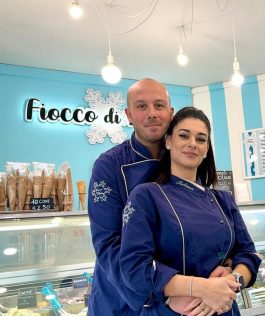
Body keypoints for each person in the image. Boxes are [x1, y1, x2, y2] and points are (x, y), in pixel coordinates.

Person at [119, 107, 261, 315]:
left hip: (224, 308)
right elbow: (134, 267)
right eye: (184, 135)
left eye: (201, 139)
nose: (193, 143)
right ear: (168, 141)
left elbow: (248, 254)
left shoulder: (223, 200)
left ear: (206, 151)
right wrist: (202, 288)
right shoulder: (146, 196)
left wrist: (231, 281)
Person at [87, 78, 174, 316]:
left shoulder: (184, 159)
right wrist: (152, 291)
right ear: (128, 115)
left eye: (159, 105)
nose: (152, 114)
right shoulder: (109, 164)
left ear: (170, 112)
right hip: (122, 297)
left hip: (176, 294)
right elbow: (107, 242)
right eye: (141, 106)